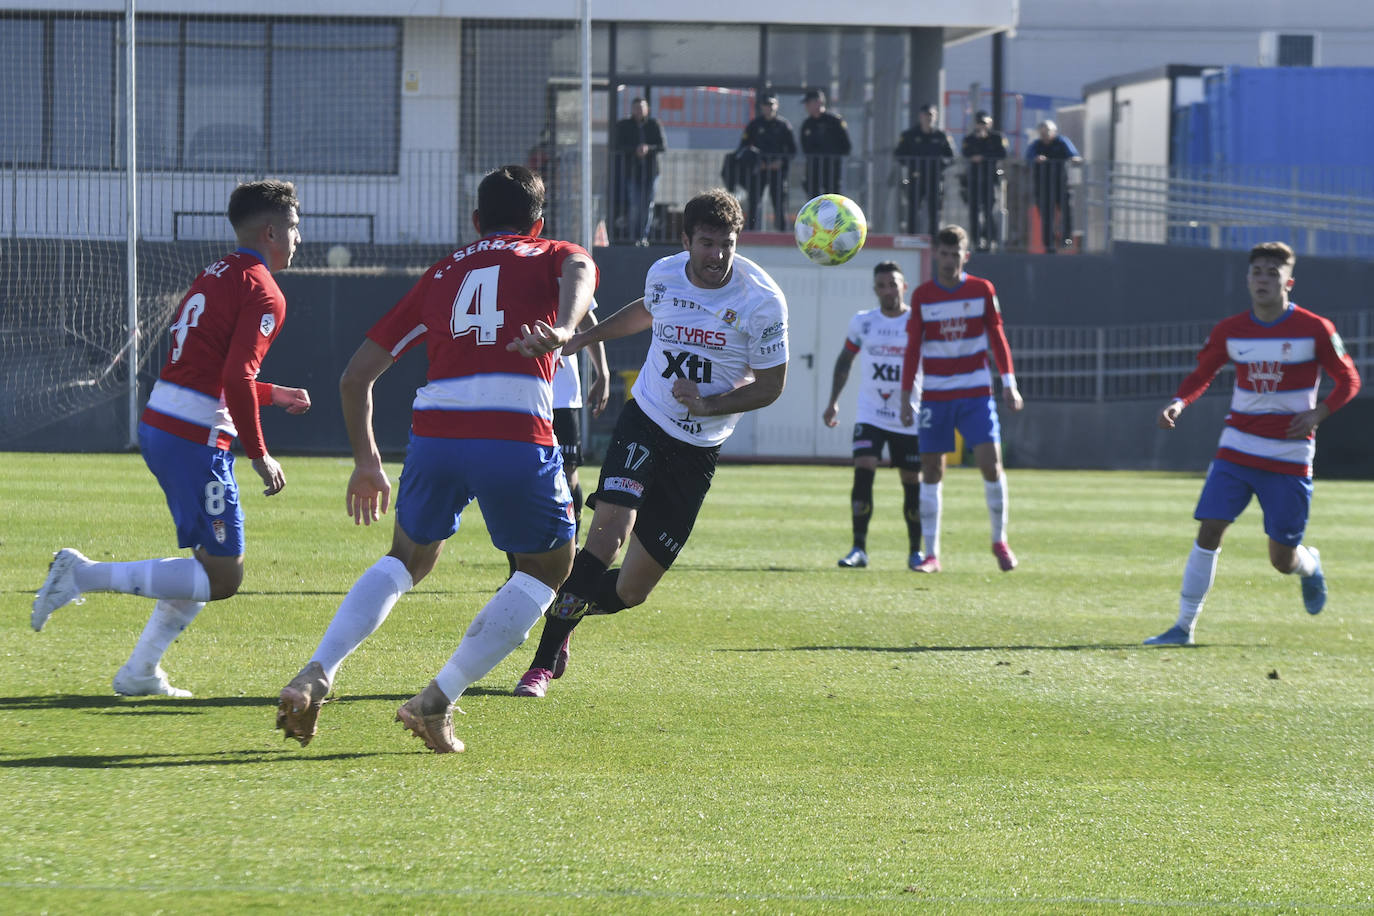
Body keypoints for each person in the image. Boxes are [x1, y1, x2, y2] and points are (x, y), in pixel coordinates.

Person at [275, 165, 596, 753]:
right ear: (539, 222)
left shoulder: (442, 273)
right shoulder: (553, 251)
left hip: (436, 434)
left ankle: (317, 671)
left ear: (475, 222)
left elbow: (354, 379)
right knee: (547, 569)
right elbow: (581, 267)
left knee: (407, 558)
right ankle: (436, 700)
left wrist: (368, 461)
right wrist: (566, 327)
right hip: (513, 432)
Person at [31, 180, 310, 697]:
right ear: (271, 230)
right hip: (194, 436)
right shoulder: (264, 289)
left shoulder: (216, 272)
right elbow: (234, 380)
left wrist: (271, 395)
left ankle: (140, 672)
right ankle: (81, 575)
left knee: (206, 564)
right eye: (294, 226)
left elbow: (214, 370)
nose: (298, 236)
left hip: (166, 420)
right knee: (224, 578)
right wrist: (261, 452)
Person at [512, 188, 788, 698]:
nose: (717, 256)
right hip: (647, 419)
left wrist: (707, 406)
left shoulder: (762, 302)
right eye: (706, 243)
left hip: (699, 449)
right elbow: (648, 310)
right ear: (686, 240)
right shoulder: (664, 273)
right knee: (606, 535)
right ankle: (542, 662)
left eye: (726, 243)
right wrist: (577, 341)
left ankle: (566, 612)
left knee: (630, 590)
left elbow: (771, 386)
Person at [1144, 242, 1361, 647]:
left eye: (1272, 274)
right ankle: (1182, 628)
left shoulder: (1315, 328)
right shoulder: (1230, 330)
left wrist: (1318, 414)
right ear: (1247, 279)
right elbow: (1201, 375)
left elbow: (1350, 380)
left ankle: (1309, 565)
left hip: (1290, 456)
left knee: (1282, 560)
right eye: (1257, 272)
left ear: (1288, 283)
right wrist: (1178, 403)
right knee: (1210, 529)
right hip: (1237, 448)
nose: (1262, 280)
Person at [899, 224, 1023, 573]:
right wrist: (906, 396)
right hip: (936, 395)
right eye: (944, 253)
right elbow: (912, 349)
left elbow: (997, 338)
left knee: (990, 464)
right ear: (935, 254)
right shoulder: (923, 296)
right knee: (932, 470)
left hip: (975, 393)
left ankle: (1000, 541)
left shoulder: (982, 290)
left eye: (956, 255)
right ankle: (932, 554)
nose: (950, 260)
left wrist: (1009, 384)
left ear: (965, 256)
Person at [822, 261, 924, 570]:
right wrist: (833, 402)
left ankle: (915, 552)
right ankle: (858, 548)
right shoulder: (863, 322)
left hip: (909, 414)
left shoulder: (917, 323)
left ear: (903, 286)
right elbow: (844, 362)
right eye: (881, 285)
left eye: (893, 283)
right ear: (875, 289)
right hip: (871, 414)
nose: (888, 290)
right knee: (864, 466)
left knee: (911, 480)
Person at [740, 92, 797, 232]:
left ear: (776, 106)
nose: (768, 108)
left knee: (778, 203)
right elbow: (744, 147)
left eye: (771, 105)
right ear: (761, 107)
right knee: (754, 201)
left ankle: (782, 232)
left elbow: (792, 150)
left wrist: (780, 162)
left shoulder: (783, 125)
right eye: (766, 105)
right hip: (758, 170)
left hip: (778, 171)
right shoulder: (755, 125)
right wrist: (757, 162)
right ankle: (751, 231)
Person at [612, 97, 666, 246]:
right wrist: (634, 150)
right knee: (635, 204)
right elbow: (618, 145)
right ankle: (633, 237)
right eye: (636, 108)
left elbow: (662, 146)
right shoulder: (625, 125)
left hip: (650, 172)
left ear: (647, 109)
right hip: (632, 172)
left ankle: (644, 237)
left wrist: (648, 149)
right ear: (632, 109)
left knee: (648, 204)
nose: (639, 111)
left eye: (641, 108)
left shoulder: (654, 125)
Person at [895, 104, 954, 236]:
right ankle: (911, 236)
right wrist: (912, 165)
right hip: (915, 177)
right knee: (913, 209)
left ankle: (934, 238)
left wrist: (939, 165)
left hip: (934, 178)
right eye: (925, 115)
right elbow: (899, 154)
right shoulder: (909, 135)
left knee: (935, 210)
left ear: (936, 117)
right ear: (920, 117)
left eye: (931, 115)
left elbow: (950, 157)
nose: (928, 118)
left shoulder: (941, 136)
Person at [1024, 120, 1082, 253]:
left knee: (1066, 213)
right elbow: (1028, 157)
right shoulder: (1036, 145)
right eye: (1042, 132)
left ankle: (1066, 241)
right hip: (1043, 186)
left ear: (1054, 132)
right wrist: (1036, 159)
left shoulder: (1062, 142)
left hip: (1062, 185)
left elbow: (1074, 155)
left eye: (1047, 131)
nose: (1045, 135)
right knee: (1046, 217)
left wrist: (1075, 159)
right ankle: (1049, 245)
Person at [961, 110, 1008, 251]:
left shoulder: (997, 137)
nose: (982, 126)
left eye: (985, 123)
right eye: (979, 123)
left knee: (989, 211)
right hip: (974, 180)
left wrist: (983, 156)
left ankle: (989, 239)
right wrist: (978, 140)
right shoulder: (969, 139)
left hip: (990, 179)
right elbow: (965, 152)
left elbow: (1002, 153)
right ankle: (976, 241)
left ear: (990, 123)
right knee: (974, 211)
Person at [799, 88, 852, 197]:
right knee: (813, 199)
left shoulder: (835, 121)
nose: (807, 106)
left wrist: (832, 155)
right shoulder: (807, 124)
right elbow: (805, 147)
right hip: (813, 170)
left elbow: (846, 146)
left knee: (832, 198)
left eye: (809, 103)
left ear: (818, 102)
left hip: (831, 169)